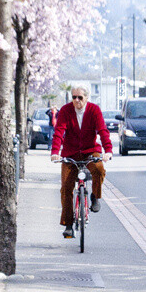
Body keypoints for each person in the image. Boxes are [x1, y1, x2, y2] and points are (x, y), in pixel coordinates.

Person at [50, 86, 112, 239]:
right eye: (74, 97)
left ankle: (95, 196)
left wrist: (108, 150)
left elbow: (102, 130)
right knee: (66, 188)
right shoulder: (65, 110)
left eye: (80, 97)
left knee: (98, 168)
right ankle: (69, 225)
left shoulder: (94, 110)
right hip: (70, 153)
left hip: (90, 151)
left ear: (86, 98)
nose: (76, 100)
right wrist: (55, 152)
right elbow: (59, 131)